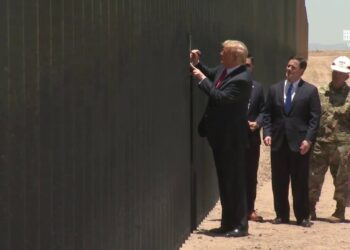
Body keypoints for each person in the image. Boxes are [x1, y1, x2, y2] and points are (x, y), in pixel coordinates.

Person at [190, 40, 252, 237]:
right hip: (220, 137)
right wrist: (197, 63)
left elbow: (220, 97)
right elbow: (211, 74)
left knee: (235, 183)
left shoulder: (242, 79)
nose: (220, 54)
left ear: (234, 57)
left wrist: (201, 79)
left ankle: (240, 226)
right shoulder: (224, 70)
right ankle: (227, 223)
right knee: (225, 182)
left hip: (232, 139)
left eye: (223, 52)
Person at [263, 56, 321, 227]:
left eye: (293, 67)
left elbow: (314, 119)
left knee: (300, 182)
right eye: (288, 66)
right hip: (279, 142)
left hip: (300, 144)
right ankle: (281, 215)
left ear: (302, 70)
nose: (289, 69)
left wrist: (308, 140)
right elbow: (267, 114)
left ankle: (302, 216)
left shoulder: (310, 91)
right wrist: (267, 132)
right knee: (279, 181)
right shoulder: (274, 89)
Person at [309, 56, 350, 223]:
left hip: (342, 145)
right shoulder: (319, 92)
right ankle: (310, 207)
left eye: (340, 73)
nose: (336, 75)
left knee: (342, 178)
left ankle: (340, 210)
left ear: (347, 76)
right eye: (335, 72)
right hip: (320, 142)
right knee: (313, 177)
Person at [245, 55, 265, 222]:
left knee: (251, 175)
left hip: (251, 139)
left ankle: (250, 209)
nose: (246, 68)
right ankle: (234, 210)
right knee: (233, 175)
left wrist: (257, 123)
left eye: (248, 65)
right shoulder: (230, 85)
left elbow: (263, 110)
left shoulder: (257, 88)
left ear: (253, 67)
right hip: (234, 139)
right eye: (243, 65)